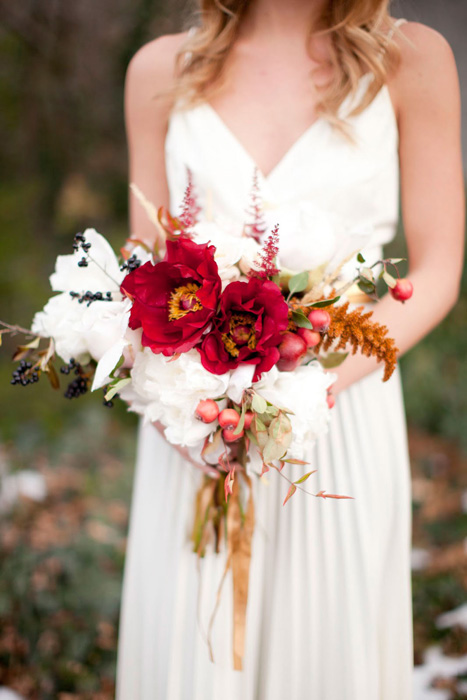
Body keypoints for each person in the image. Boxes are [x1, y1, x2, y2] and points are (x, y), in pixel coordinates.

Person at [116, 1, 464, 698]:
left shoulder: (410, 61)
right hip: (199, 432)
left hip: (340, 420)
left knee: (328, 656)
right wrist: (179, 403)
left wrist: (313, 386)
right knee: (193, 652)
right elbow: (143, 269)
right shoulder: (158, 69)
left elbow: (435, 273)